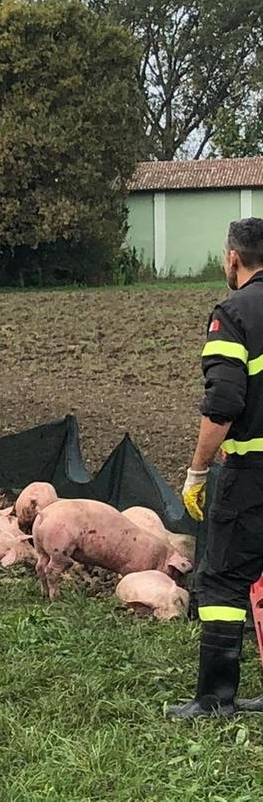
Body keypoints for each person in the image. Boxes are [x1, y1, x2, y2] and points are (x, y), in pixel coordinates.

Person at [174, 217, 263, 720]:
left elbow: (224, 402)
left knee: (223, 581)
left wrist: (198, 470)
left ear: (233, 257)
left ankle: (215, 699)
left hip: (253, 472)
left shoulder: (234, 313)